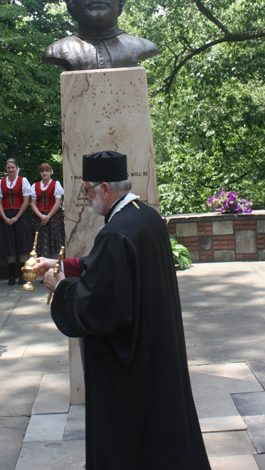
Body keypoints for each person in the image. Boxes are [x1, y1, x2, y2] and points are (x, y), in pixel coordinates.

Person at [36, 151, 211, 470]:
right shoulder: (145, 217)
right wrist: (65, 265)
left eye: (88, 190)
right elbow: (117, 270)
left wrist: (61, 286)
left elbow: (96, 308)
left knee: (134, 446)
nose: (86, 197)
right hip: (157, 348)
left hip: (132, 366)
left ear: (105, 189)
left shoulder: (116, 233)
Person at [0, 158, 33, 285]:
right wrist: (4, 218)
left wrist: (17, 217)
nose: (10, 170)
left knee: (22, 244)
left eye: (12, 167)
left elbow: (26, 201)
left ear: (17, 168)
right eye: (8, 168)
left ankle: (22, 275)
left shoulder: (23, 181)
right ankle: (11, 276)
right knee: (9, 245)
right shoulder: (0, 182)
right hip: (6, 215)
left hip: (21, 215)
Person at [30, 162, 65, 259]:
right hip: (40, 218)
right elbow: (33, 204)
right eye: (42, 171)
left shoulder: (56, 184)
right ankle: (44, 269)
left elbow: (57, 203)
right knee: (42, 244)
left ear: (50, 172)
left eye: (46, 171)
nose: (44, 173)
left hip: (54, 217)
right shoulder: (35, 186)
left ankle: (56, 268)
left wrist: (48, 216)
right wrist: (41, 216)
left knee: (55, 243)